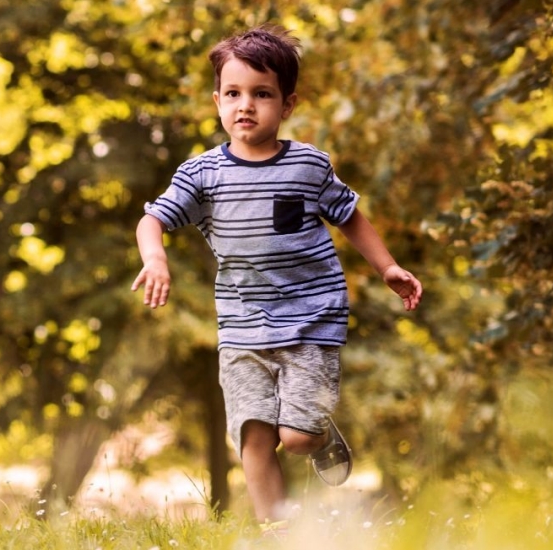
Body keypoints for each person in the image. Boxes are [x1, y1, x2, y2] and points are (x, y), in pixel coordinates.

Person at [132, 25, 423, 526]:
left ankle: (320, 435)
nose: (246, 105)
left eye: (261, 94)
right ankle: (277, 532)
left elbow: (349, 215)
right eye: (234, 93)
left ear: (286, 105)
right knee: (253, 434)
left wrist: (388, 266)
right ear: (217, 100)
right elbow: (152, 218)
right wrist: (155, 257)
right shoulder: (201, 174)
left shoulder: (308, 165)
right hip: (242, 326)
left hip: (312, 319)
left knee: (297, 438)